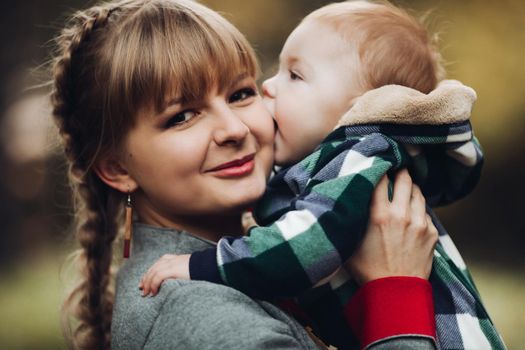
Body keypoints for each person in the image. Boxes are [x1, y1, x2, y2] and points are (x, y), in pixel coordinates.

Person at [51, 0, 439, 349]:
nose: (235, 130)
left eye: (239, 94)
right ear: (117, 168)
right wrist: (396, 291)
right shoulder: (205, 318)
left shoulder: (283, 240)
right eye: (182, 116)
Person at [139, 1, 506, 349]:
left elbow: (308, 243)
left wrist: (204, 264)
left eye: (295, 75)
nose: (269, 85)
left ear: (363, 108)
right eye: (181, 116)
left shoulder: (361, 157)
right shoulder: (333, 167)